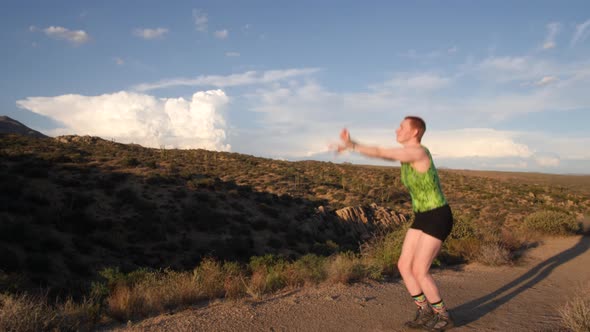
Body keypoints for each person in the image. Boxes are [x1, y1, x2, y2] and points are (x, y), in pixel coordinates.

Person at [335, 116, 454, 331]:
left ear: (415, 132)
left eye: (402, 127)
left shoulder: (417, 152)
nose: (397, 130)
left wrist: (353, 145)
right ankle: (424, 310)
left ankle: (443, 315)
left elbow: (384, 153)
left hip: (438, 215)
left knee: (419, 269)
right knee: (403, 265)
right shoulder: (408, 155)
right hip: (422, 216)